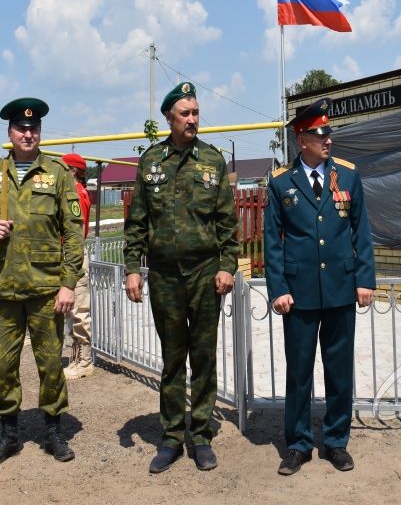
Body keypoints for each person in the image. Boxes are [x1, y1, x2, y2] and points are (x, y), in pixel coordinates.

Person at [123, 81, 239, 473]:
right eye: (185, 114)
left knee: (203, 357)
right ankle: (172, 436)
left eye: (195, 113)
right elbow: (137, 220)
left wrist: (228, 265)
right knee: (173, 358)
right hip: (166, 276)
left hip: (206, 274)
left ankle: (202, 434)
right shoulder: (151, 162)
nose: (192, 120)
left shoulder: (212, 160)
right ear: (169, 118)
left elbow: (227, 220)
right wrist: (132, 269)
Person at [0, 97, 85, 468]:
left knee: (50, 364)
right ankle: (10, 435)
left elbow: (73, 230)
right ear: (10, 133)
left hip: (47, 290)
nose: (27, 133)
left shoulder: (58, 173)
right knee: (4, 365)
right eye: (21, 128)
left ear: (39, 132)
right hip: (3, 288)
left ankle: (53, 431)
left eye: (33, 129)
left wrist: (68, 283)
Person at [263, 98, 376, 476]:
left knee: (339, 370)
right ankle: (297, 444)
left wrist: (364, 280)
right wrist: (278, 288)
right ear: (301, 139)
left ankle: (336, 441)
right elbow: (272, 241)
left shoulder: (348, 176)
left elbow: (362, 232)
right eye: (319, 133)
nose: (328, 139)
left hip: (342, 287)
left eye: (329, 132)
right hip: (298, 293)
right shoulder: (281, 182)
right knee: (298, 372)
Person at [61, 152, 94, 380]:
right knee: (69, 311)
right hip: (65, 254)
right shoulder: (69, 191)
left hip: (73, 255)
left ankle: (84, 361)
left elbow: (77, 231)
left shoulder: (76, 193)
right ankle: (75, 358)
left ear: (72, 171)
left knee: (79, 310)